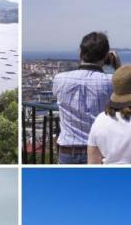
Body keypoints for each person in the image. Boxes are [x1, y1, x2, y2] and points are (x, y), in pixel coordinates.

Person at [51, 32, 121, 164]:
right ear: (106, 56)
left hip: (67, 153)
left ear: (80, 54)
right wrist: (117, 66)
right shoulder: (110, 82)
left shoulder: (59, 79)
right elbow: (130, 95)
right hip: (98, 154)